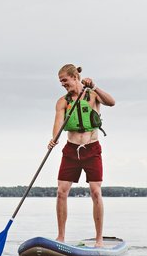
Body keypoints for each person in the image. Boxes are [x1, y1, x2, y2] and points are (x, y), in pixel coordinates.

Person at [48, 65, 115, 246]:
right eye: (60, 81)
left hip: (92, 149)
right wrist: (54, 139)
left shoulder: (92, 95)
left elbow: (112, 102)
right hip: (71, 150)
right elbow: (58, 123)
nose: (62, 84)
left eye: (64, 80)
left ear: (75, 77)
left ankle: (99, 239)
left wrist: (94, 86)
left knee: (95, 192)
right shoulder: (62, 101)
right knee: (61, 192)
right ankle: (61, 237)